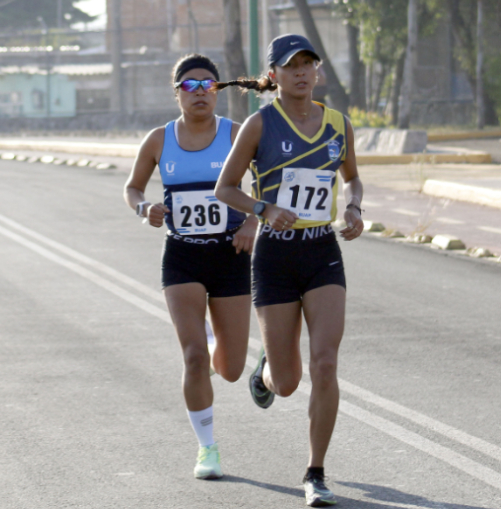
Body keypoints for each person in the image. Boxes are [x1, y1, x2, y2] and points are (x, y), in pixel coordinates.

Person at [213, 34, 364, 507]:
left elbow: (352, 177)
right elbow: (225, 187)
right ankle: (267, 374)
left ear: (317, 71)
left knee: (325, 363)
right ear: (273, 75)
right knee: (290, 380)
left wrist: (355, 207)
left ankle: (315, 472)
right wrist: (263, 208)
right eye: (291, 66)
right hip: (276, 256)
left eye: (309, 64)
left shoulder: (339, 123)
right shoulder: (259, 125)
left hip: (322, 252)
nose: (301, 72)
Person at [123, 54, 257, 480]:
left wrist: (253, 220)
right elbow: (132, 187)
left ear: (218, 91)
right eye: (190, 86)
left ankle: (235, 348)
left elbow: (270, 181)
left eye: (208, 85)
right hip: (181, 256)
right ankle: (207, 450)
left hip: (230, 254)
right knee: (195, 358)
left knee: (230, 369)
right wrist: (145, 208)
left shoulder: (236, 135)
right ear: (176, 92)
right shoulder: (159, 140)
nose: (200, 93)